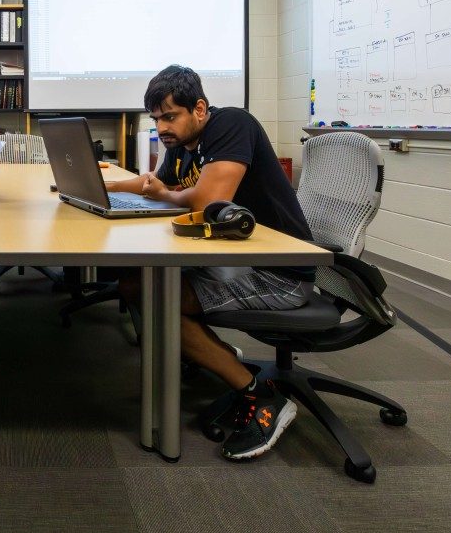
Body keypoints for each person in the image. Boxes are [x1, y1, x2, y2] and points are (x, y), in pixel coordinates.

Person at [105, 65, 315, 460]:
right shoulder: (183, 147)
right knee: (136, 284)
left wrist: (168, 195)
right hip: (237, 258)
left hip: (279, 272)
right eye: (156, 119)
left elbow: (205, 202)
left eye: (170, 116)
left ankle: (261, 395)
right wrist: (102, 186)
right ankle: (212, 354)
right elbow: (153, 182)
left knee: (153, 294)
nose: (162, 127)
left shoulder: (231, 124)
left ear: (199, 109)